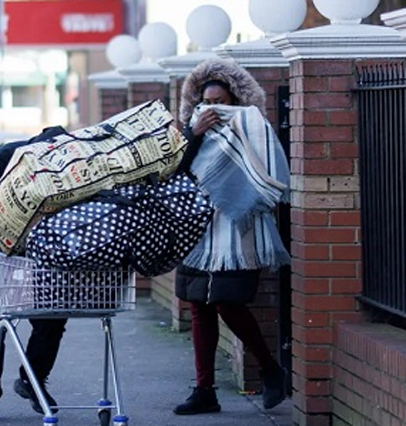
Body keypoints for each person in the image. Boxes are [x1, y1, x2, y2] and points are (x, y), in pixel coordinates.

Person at [174, 58, 291, 415]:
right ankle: (204, 391)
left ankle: (270, 369)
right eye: (206, 102)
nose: (212, 109)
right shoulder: (190, 133)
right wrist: (194, 134)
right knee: (198, 305)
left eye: (220, 102)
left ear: (236, 102)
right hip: (199, 226)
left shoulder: (252, 126)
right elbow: (175, 170)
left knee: (228, 302)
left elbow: (268, 172)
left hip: (238, 226)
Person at [0, 126, 69, 423]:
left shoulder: (70, 169)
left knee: (53, 316)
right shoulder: (2, 158)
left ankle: (33, 380)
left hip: (45, 254)